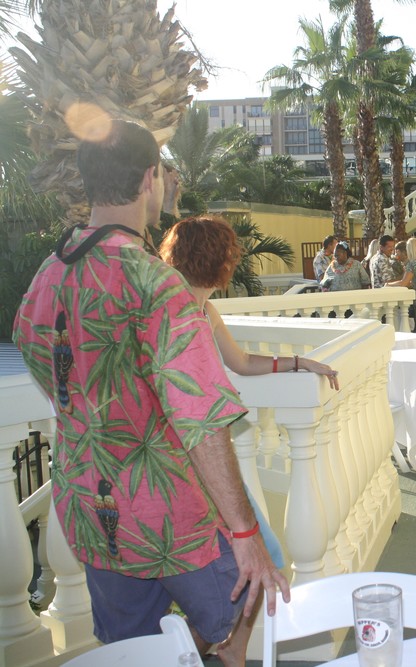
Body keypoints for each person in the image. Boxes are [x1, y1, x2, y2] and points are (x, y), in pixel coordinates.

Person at [12, 120, 289, 666]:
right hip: (167, 512)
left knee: (133, 652)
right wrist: (244, 531)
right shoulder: (155, 283)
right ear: (148, 180)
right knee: (247, 595)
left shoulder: (50, 273)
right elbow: (202, 419)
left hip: (90, 505)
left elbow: (38, 355)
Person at [159, 215, 339, 661]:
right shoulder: (172, 309)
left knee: (260, 557)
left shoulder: (203, 309)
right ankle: (193, 650)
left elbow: (239, 362)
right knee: (253, 558)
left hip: (204, 458)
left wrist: (298, 362)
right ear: (220, 259)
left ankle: (230, 649)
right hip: (187, 462)